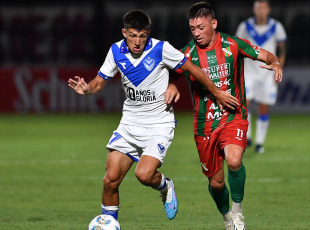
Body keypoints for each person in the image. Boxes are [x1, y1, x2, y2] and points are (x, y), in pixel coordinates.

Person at [68, 10, 236, 223]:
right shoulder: (115, 51)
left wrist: (216, 92)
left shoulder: (160, 48)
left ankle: (165, 186)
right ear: (124, 32)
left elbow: (192, 69)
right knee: (110, 180)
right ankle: (108, 225)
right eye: (132, 35)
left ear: (148, 34)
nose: (137, 42)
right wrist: (87, 89)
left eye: (142, 36)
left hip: (158, 125)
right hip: (129, 124)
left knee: (144, 175)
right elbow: (99, 82)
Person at [172, 2, 282, 230]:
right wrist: (171, 85)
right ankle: (226, 218)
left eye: (201, 28)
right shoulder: (188, 53)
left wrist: (276, 62)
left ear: (214, 24)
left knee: (234, 160)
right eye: (193, 29)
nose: (196, 33)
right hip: (204, 125)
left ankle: (238, 212)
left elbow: (264, 54)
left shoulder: (233, 44)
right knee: (217, 183)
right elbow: (170, 74)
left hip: (234, 116)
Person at [236, 0, 287, 153]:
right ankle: (247, 137)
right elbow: (236, 47)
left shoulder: (276, 26)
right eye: (258, 7)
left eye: (263, 7)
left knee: (263, 108)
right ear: (254, 9)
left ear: (268, 9)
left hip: (267, 74)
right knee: (244, 105)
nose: (261, 10)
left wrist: (279, 68)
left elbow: (282, 49)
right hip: (248, 72)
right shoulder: (245, 26)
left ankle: (259, 143)